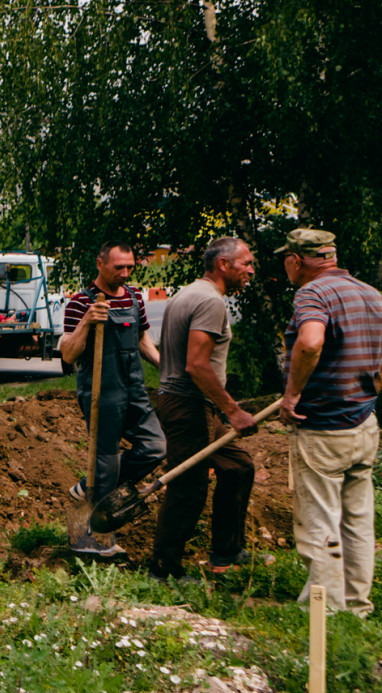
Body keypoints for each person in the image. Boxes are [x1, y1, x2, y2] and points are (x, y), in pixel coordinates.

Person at [278, 228, 382, 615]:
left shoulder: (313, 293)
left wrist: (293, 393)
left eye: (287, 260)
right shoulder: (371, 294)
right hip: (364, 425)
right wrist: (364, 397)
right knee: (357, 520)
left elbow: (310, 342)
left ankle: (325, 611)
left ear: (297, 260)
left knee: (320, 522)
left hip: (324, 428)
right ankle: (358, 605)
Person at [153, 237, 261, 575]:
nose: (251, 271)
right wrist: (233, 410)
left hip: (191, 405)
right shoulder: (209, 302)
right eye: (246, 263)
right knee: (188, 488)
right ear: (224, 265)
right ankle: (164, 569)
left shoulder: (187, 294)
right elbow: (197, 365)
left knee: (237, 467)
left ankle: (226, 550)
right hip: (190, 405)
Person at [60, 241, 167, 558]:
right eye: (118, 267)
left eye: (130, 267)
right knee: (105, 460)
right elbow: (68, 353)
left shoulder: (134, 297)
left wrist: (168, 369)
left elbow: (143, 341)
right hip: (100, 390)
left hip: (133, 386)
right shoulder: (81, 302)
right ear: (100, 263)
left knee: (156, 446)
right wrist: (87, 322)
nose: (125, 273)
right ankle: (96, 540)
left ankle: (87, 486)